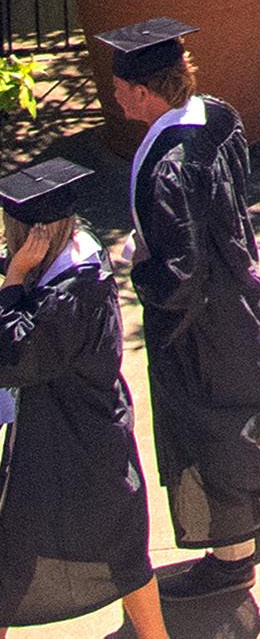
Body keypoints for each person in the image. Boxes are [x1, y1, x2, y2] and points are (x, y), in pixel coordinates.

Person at [98, 18, 260, 603]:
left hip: (198, 322)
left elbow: (177, 274)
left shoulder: (170, 167)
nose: (115, 96)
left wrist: (137, 264)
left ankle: (232, 560)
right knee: (237, 405)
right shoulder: (218, 117)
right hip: (234, 293)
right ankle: (259, 500)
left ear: (143, 93)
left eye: (120, 88)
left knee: (210, 425)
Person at [0, 155, 168, 639]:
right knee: (121, 545)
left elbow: (13, 355)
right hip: (91, 427)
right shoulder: (82, 252)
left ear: (33, 238)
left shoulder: (71, 293)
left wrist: (13, 281)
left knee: (15, 552)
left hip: (66, 438)